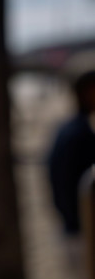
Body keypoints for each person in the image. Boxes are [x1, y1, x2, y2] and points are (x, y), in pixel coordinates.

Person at [46, 60, 95, 257]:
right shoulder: (77, 134)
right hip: (81, 231)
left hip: (74, 227)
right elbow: (66, 185)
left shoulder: (71, 129)